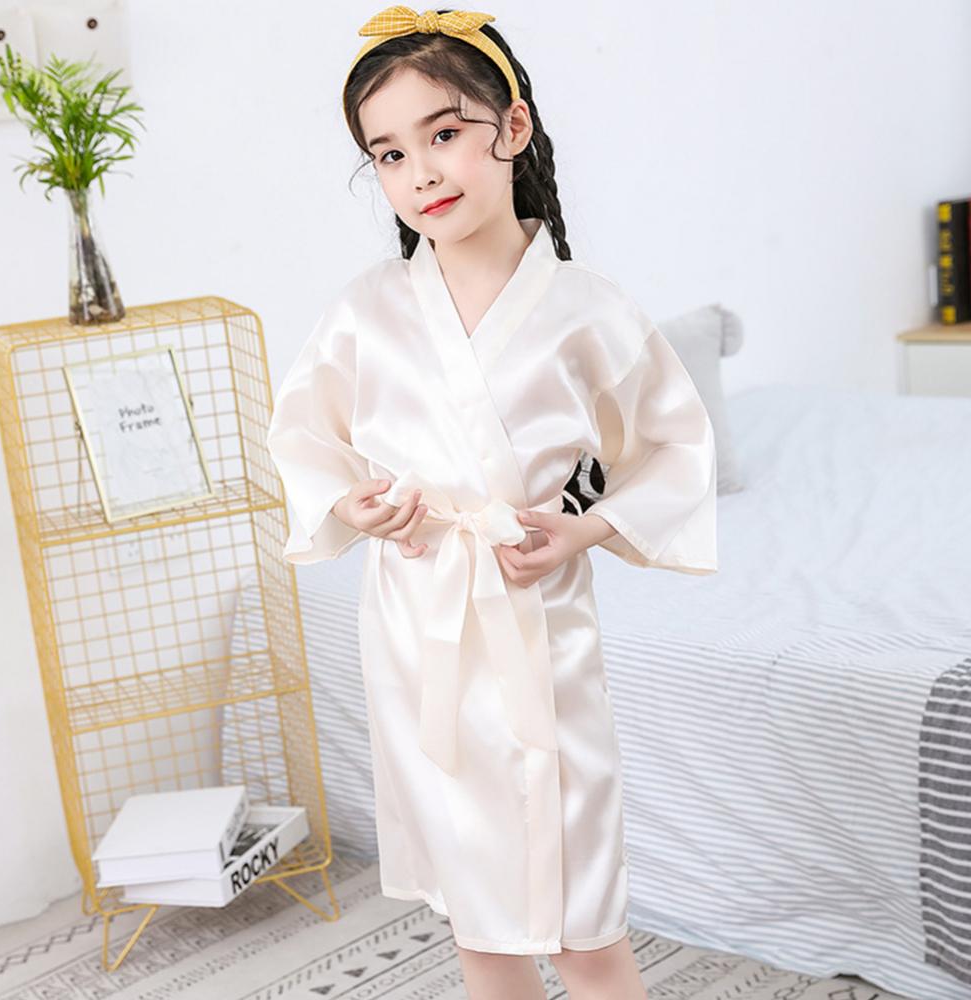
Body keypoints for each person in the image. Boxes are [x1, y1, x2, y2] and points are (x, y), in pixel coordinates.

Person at [265, 7, 718, 999]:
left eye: (443, 133)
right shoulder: (366, 312)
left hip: (537, 625)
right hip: (418, 627)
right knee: (481, 925)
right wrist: (357, 503)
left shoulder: (589, 309)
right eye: (389, 153)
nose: (419, 171)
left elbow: (675, 446)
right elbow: (304, 436)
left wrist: (584, 528)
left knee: (584, 924)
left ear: (512, 126)